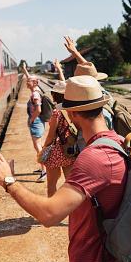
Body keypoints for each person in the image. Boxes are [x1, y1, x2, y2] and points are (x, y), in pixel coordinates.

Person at [0, 75, 131, 262]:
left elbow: (49, 215)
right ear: (101, 108)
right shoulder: (117, 142)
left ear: (72, 113)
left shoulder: (93, 158)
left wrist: (9, 181)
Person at [41, 61, 74, 197]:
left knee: (52, 184)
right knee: (71, 184)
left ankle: (52, 212)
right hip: (69, 149)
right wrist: (60, 69)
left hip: (55, 150)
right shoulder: (71, 109)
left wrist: (44, 147)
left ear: (55, 95)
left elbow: (50, 135)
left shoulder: (56, 112)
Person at [22, 62, 47, 181]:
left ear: (35, 83)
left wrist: (31, 120)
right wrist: (25, 69)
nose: (27, 83)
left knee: (38, 148)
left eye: (29, 82)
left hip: (36, 123)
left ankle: (44, 171)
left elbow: (38, 110)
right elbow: (30, 78)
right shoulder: (34, 91)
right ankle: (43, 168)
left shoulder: (35, 94)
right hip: (37, 123)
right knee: (39, 146)